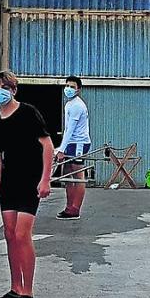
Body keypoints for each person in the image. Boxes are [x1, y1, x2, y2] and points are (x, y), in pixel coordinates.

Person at [0, 70, 53, 298]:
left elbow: (47, 145)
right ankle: (14, 288)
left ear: (13, 90)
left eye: (4, 86)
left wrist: (45, 179)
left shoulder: (28, 113)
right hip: (9, 184)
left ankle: (28, 293)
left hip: (30, 181)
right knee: (10, 234)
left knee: (23, 235)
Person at [55, 75, 91, 219]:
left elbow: (71, 129)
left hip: (79, 144)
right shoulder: (69, 104)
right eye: (67, 86)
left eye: (72, 87)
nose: (68, 89)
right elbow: (67, 129)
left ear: (78, 90)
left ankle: (75, 209)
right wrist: (61, 147)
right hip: (71, 143)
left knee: (78, 176)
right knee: (67, 175)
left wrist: (62, 150)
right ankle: (69, 207)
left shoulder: (77, 105)